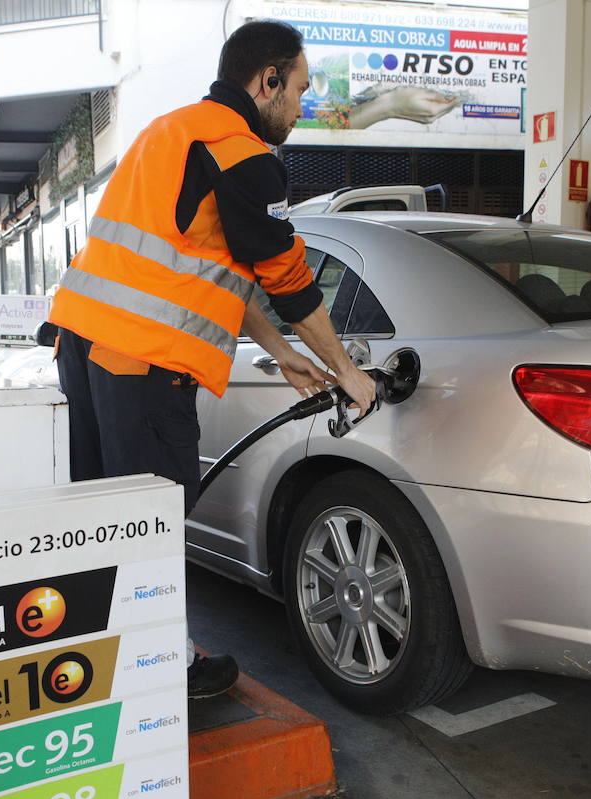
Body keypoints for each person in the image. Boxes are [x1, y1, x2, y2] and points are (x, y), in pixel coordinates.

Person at [48, 20, 376, 699]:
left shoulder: (169, 132)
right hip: (141, 365)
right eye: (300, 90)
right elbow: (283, 273)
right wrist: (348, 371)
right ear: (268, 80)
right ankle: (163, 672)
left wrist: (281, 351)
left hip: (83, 347)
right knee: (150, 523)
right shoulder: (242, 150)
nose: (301, 105)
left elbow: (209, 268)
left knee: (105, 519)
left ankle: (102, 661)